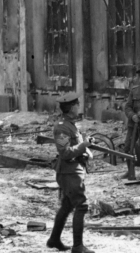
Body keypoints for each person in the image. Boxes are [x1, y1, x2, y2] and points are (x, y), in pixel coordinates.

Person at [47, 92, 95, 253]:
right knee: (81, 206)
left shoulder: (70, 124)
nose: (78, 107)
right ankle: (78, 247)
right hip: (69, 172)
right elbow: (65, 153)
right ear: (70, 107)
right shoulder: (61, 127)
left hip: (73, 171)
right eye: (76, 105)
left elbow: (76, 143)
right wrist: (83, 146)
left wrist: (85, 143)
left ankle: (54, 240)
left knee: (67, 205)